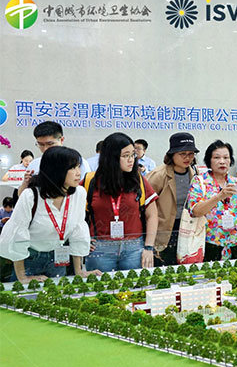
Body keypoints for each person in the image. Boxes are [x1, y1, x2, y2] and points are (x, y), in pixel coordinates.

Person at [0, 146, 99, 282]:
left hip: (59, 258)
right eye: (72, 168)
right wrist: (23, 277)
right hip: (30, 259)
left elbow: (78, 231)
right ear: (56, 170)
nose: (78, 173)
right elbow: (18, 235)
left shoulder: (79, 193)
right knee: (28, 294)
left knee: (58, 294)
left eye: (78, 166)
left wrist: (79, 271)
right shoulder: (31, 196)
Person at [84, 132, 159, 271]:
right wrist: (83, 240)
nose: (131, 160)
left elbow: (152, 214)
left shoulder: (138, 181)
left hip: (134, 248)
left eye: (133, 155)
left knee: (135, 284)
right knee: (101, 284)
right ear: (110, 157)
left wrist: (149, 247)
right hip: (100, 248)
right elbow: (75, 216)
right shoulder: (90, 182)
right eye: (125, 156)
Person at [187, 140, 237, 261]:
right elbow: (195, 211)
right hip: (209, 242)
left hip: (235, 242)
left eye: (226, 157)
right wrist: (219, 196)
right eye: (217, 157)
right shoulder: (200, 182)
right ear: (209, 160)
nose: (222, 161)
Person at [147, 133, 200, 266]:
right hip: (165, 230)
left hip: (187, 227)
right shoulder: (158, 175)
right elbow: (145, 204)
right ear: (172, 154)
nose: (187, 158)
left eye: (191, 154)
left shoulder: (194, 173)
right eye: (182, 154)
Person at [18, 121, 91, 196]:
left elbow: (86, 192)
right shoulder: (34, 164)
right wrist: (26, 183)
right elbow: (22, 195)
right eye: (41, 144)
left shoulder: (77, 163)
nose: (45, 149)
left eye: (50, 144)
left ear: (61, 140)